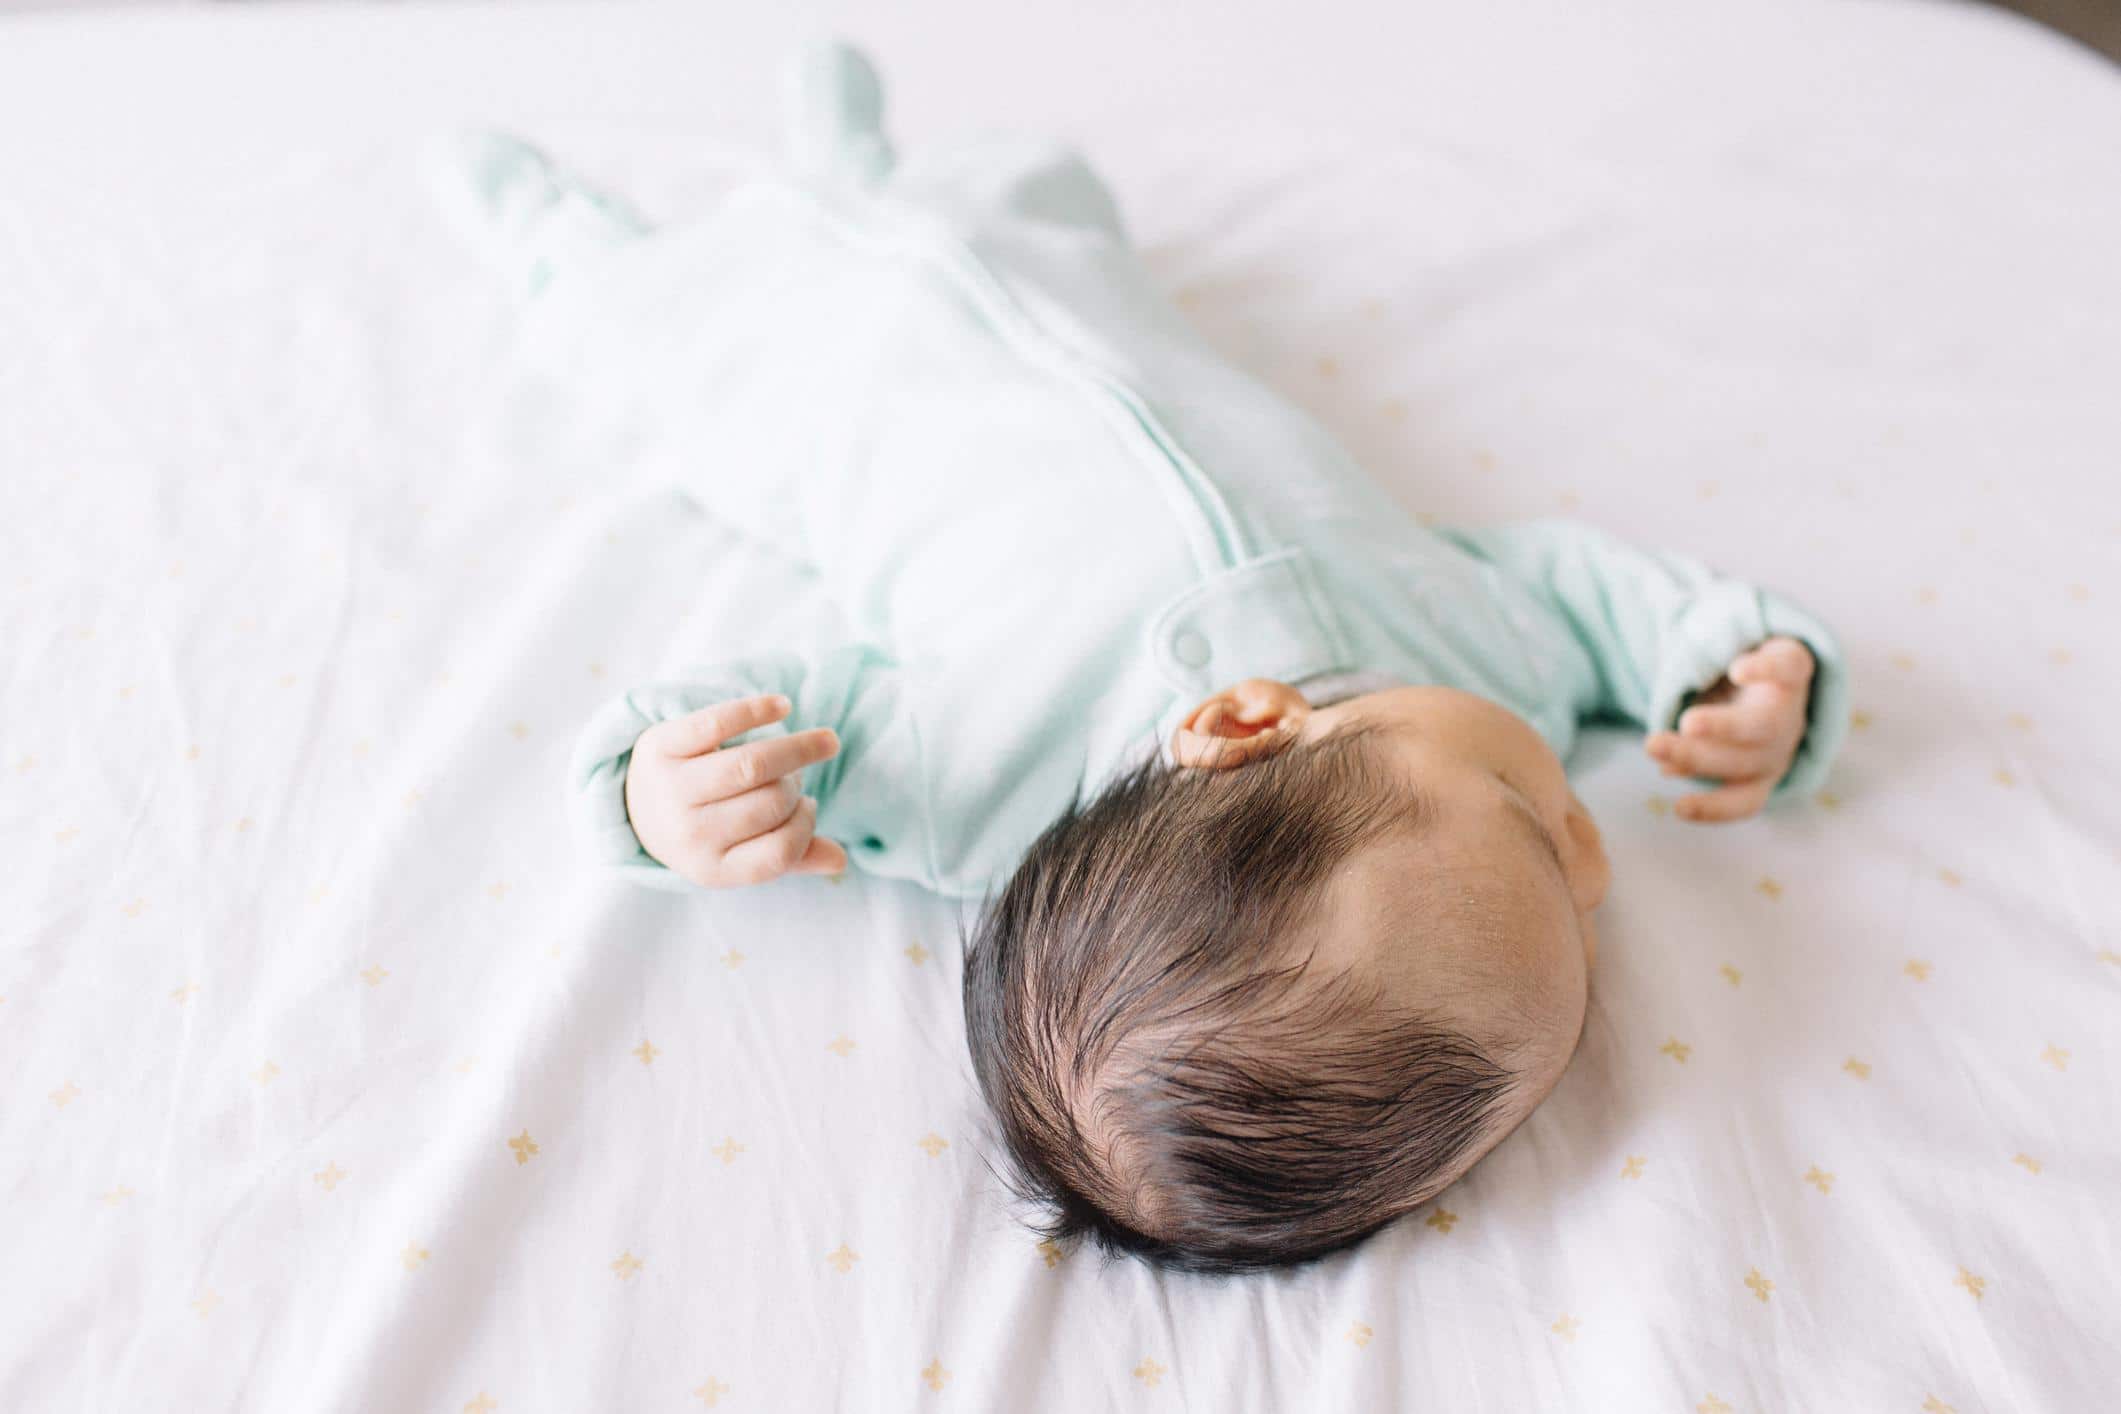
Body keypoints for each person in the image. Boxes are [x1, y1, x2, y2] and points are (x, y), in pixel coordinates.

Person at [433, 40, 1847, 1274]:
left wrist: (650, 793)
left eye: (1545, 839)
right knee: (980, 201)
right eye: (1554, 838)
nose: (1594, 851)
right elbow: (1572, 587)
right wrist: (1723, 663)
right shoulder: (1486, 666)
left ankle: (544, 225)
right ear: (1245, 720)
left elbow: (740, 721)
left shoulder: (972, 770)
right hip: (1053, 285)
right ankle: (840, 149)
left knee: (648, 331)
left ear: (1236, 732)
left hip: (818, 382)